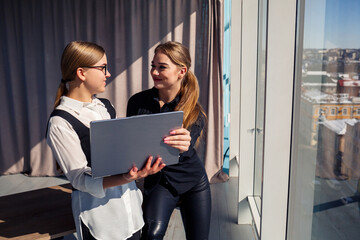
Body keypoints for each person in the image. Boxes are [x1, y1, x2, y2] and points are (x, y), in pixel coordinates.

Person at [46, 41, 191, 240]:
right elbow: (80, 180)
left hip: (130, 212)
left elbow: (121, 154)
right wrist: (128, 177)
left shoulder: (105, 106)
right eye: (103, 68)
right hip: (101, 222)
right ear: (82, 73)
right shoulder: (60, 123)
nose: (108, 74)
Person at [127, 41, 211, 240]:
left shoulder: (195, 111)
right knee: (151, 235)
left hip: (193, 183)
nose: (154, 72)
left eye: (162, 67)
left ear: (181, 71)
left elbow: (186, 146)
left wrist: (183, 144)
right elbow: (131, 142)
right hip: (159, 182)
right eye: (153, 66)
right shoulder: (137, 103)